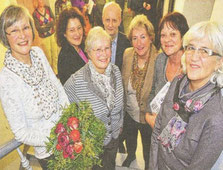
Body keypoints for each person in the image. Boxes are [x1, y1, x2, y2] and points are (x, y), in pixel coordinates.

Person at [0, 5, 69, 170]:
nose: (23, 35)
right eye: (14, 30)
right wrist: (56, 137)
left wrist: (69, 120)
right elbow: (21, 132)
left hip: (69, 134)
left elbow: (58, 87)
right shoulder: (6, 79)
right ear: (5, 36)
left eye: (25, 27)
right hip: (49, 150)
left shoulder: (37, 53)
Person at [149, 21, 223, 170]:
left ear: (219, 62)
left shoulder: (216, 116)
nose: (194, 57)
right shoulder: (177, 83)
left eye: (204, 51)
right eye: (191, 48)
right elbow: (158, 130)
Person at [64, 26, 123, 170]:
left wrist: (119, 126)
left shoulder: (116, 71)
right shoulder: (76, 81)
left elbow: (122, 104)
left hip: (113, 141)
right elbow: (65, 115)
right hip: (91, 150)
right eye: (98, 50)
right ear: (88, 53)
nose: (103, 54)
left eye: (107, 48)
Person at [121, 14, 158, 170]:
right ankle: (131, 156)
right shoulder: (127, 54)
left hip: (147, 115)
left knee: (147, 148)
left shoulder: (159, 59)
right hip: (129, 111)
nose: (139, 42)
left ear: (150, 37)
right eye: (134, 38)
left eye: (143, 37)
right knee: (130, 139)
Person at [145, 12, 189, 128]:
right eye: (163, 35)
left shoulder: (191, 67)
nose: (167, 40)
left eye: (173, 34)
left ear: (183, 36)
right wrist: (148, 115)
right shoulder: (160, 60)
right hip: (155, 129)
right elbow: (153, 91)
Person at [56, 7, 87, 85]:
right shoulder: (64, 58)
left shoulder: (83, 46)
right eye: (72, 30)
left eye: (79, 28)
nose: (77, 33)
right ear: (64, 33)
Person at [102, 1, 131, 71]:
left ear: (120, 21)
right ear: (102, 20)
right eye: (107, 20)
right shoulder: (95, 41)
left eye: (114, 20)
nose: (110, 25)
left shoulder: (127, 44)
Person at [33, 0, 58, 75]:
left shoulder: (48, 9)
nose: (41, 1)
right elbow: (39, 28)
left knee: (55, 54)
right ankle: (50, 74)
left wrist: (45, 26)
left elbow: (54, 21)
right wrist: (49, 25)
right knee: (48, 56)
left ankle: (56, 72)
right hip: (44, 38)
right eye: (39, 0)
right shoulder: (35, 14)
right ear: (36, 2)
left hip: (52, 35)